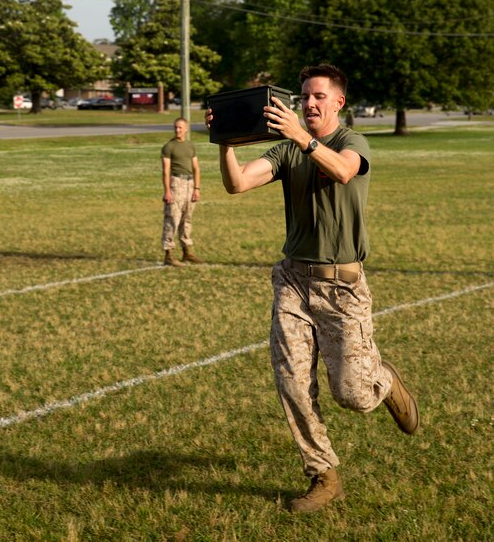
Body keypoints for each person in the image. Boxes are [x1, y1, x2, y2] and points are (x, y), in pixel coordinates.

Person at [206, 63, 419, 513]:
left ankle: (385, 380)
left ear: (339, 102)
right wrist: (225, 140)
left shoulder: (351, 142)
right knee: (293, 385)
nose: (309, 103)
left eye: (319, 96)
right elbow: (237, 183)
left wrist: (304, 139)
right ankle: (323, 474)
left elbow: (343, 171)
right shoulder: (287, 151)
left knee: (353, 395)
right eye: (304, 96)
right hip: (293, 282)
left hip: (341, 288)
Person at [161, 117, 202, 266]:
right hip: (175, 183)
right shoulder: (169, 147)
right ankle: (169, 254)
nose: (177, 130)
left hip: (189, 184)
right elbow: (165, 171)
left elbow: (196, 168)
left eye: (180, 127)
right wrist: (167, 191)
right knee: (172, 218)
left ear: (186, 129)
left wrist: (196, 188)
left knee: (187, 219)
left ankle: (187, 252)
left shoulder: (190, 146)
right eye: (175, 127)